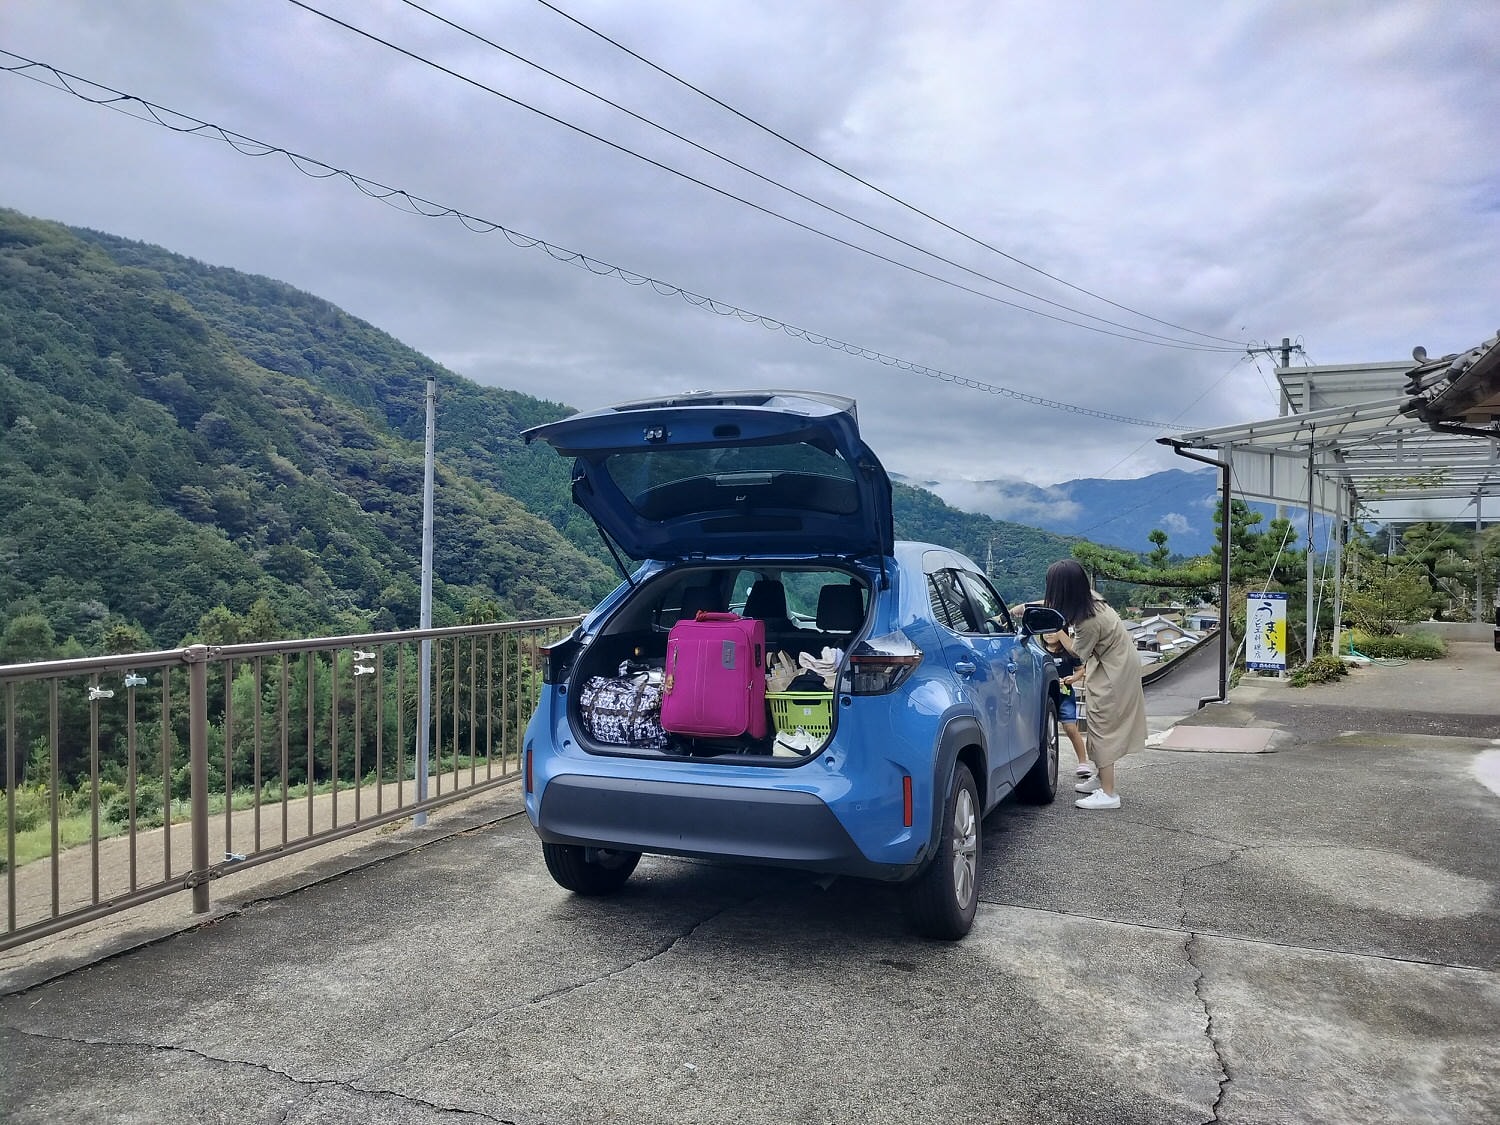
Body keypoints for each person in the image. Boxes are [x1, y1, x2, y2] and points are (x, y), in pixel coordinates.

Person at [1041, 559, 1147, 810]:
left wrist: (1059, 634)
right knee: (1099, 723)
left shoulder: (1088, 622)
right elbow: (1050, 605)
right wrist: (1024, 608)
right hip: (1117, 664)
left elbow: (1078, 653)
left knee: (1102, 726)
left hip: (1113, 672)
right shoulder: (1090, 599)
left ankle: (1109, 793)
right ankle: (1101, 779)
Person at [1041, 629, 1092, 781]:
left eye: (1053, 631)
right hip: (1045, 696)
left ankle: (1083, 762)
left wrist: (1072, 678)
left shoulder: (1069, 653)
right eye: (1045, 632)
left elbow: (1080, 670)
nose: (1049, 634)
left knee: (1070, 728)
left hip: (1065, 695)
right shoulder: (1040, 652)